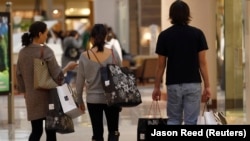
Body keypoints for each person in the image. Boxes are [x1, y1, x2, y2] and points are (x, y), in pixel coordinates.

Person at [151, 0, 211, 125]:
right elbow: (202, 63)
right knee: (191, 122)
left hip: (173, 84)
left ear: (171, 15)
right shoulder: (197, 34)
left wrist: (156, 87)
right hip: (193, 84)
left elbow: (161, 66)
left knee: (173, 120)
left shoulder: (164, 36)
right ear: (187, 15)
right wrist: (207, 86)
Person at [16, 21, 78, 141]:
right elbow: (57, 75)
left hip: (32, 98)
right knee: (50, 132)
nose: (47, 36)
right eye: (45, 33)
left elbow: (18, 75)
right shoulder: (46, 51)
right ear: (40, 34)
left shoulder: (22, 52)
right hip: (49, 97)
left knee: (36, 131)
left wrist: (25, 92)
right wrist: (67, 68)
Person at [75, 24, 122, 141]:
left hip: (93, 99)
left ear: (91, 38)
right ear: (105, 36)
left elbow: (79, 81)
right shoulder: (113, 53)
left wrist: (79, 100)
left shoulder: (84, 56)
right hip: (112, 98)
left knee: (97, 133)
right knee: (113, 131)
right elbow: (119, 76)